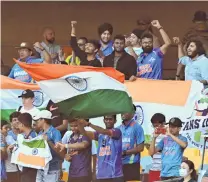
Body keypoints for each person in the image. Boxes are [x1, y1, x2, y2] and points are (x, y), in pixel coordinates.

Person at [77, 115, 124, 182]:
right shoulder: (99, 134)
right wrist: (80, 124)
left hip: (115, 175)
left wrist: (88, 124)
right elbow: (84, 133)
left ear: (115, 121)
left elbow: (104, 131)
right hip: (101, 175)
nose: (108, 121)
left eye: (110, 119)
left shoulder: (117, 131)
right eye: (106, 119)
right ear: (103, 120)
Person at [33, 110, 64, 182]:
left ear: (43, 120)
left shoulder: (55, 132)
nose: (37, 122)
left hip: (52, 169)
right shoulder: (40, 132)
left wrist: (49, 141)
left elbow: (60, 151)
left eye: (38, 120)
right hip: (40, 168)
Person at [118, 105, 145, 182]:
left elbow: (141, 147)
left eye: (125, 110)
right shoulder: (118, 128)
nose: (122, 113)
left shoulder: (137, 127)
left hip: (132, 165)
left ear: (133, 114)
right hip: (119, 165)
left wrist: (125, 152)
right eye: (122, 111)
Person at [16, 113, 38, 182]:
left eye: (18, 123)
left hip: (32, 170)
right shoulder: (23, 136)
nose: (17, 126)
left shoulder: (35, 136)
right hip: (24, 169)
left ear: (22, 124)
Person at [148, 113, 166, 182]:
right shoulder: (153, 135)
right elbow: (151, 153)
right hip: (154, 168)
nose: (156, 128)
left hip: (164, 170)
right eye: (154, 126)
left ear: (163, 123)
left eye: (157, 125)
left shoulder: (168, 135)